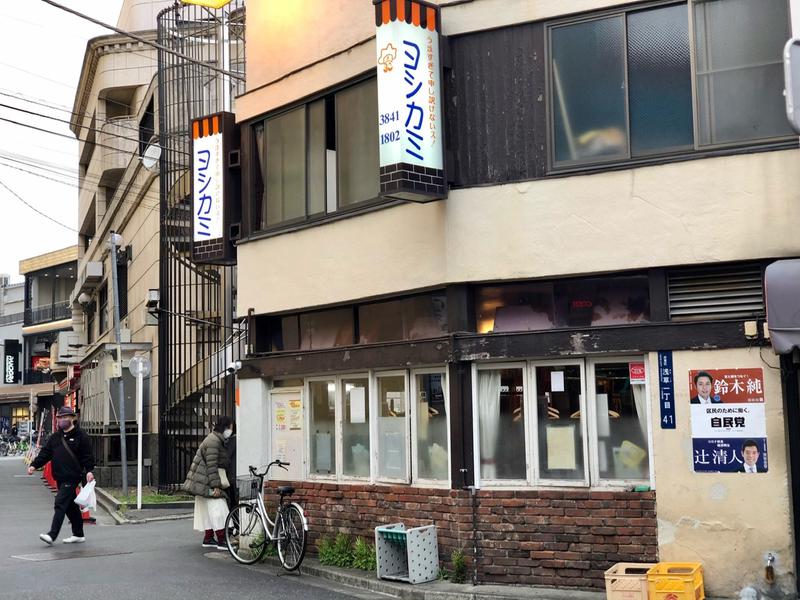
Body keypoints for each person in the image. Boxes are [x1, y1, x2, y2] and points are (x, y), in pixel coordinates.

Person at [27, 406, 95, 545]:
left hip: (73, 476)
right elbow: (46, 453)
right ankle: (78, 534)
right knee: (70, 506)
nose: (62, 420)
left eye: (65, 417)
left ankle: (52, 535)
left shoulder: (81, 436)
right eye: (60, 418)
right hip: (59, 476)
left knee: (60, 502)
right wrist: (34, 465)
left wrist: (89, 470)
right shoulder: (55, 437)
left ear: (72, 418)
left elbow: (87, 456)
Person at [182, 416, 232, 549]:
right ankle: (222, 540)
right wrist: (215, 486)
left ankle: (208, 538)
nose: (231, 430)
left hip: (201, 481)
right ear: (225, 427)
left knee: (205, 510)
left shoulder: (213, 438)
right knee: (218, 508)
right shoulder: (214, 441)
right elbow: (212, 465)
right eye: (231, 427)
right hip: (206, 481)